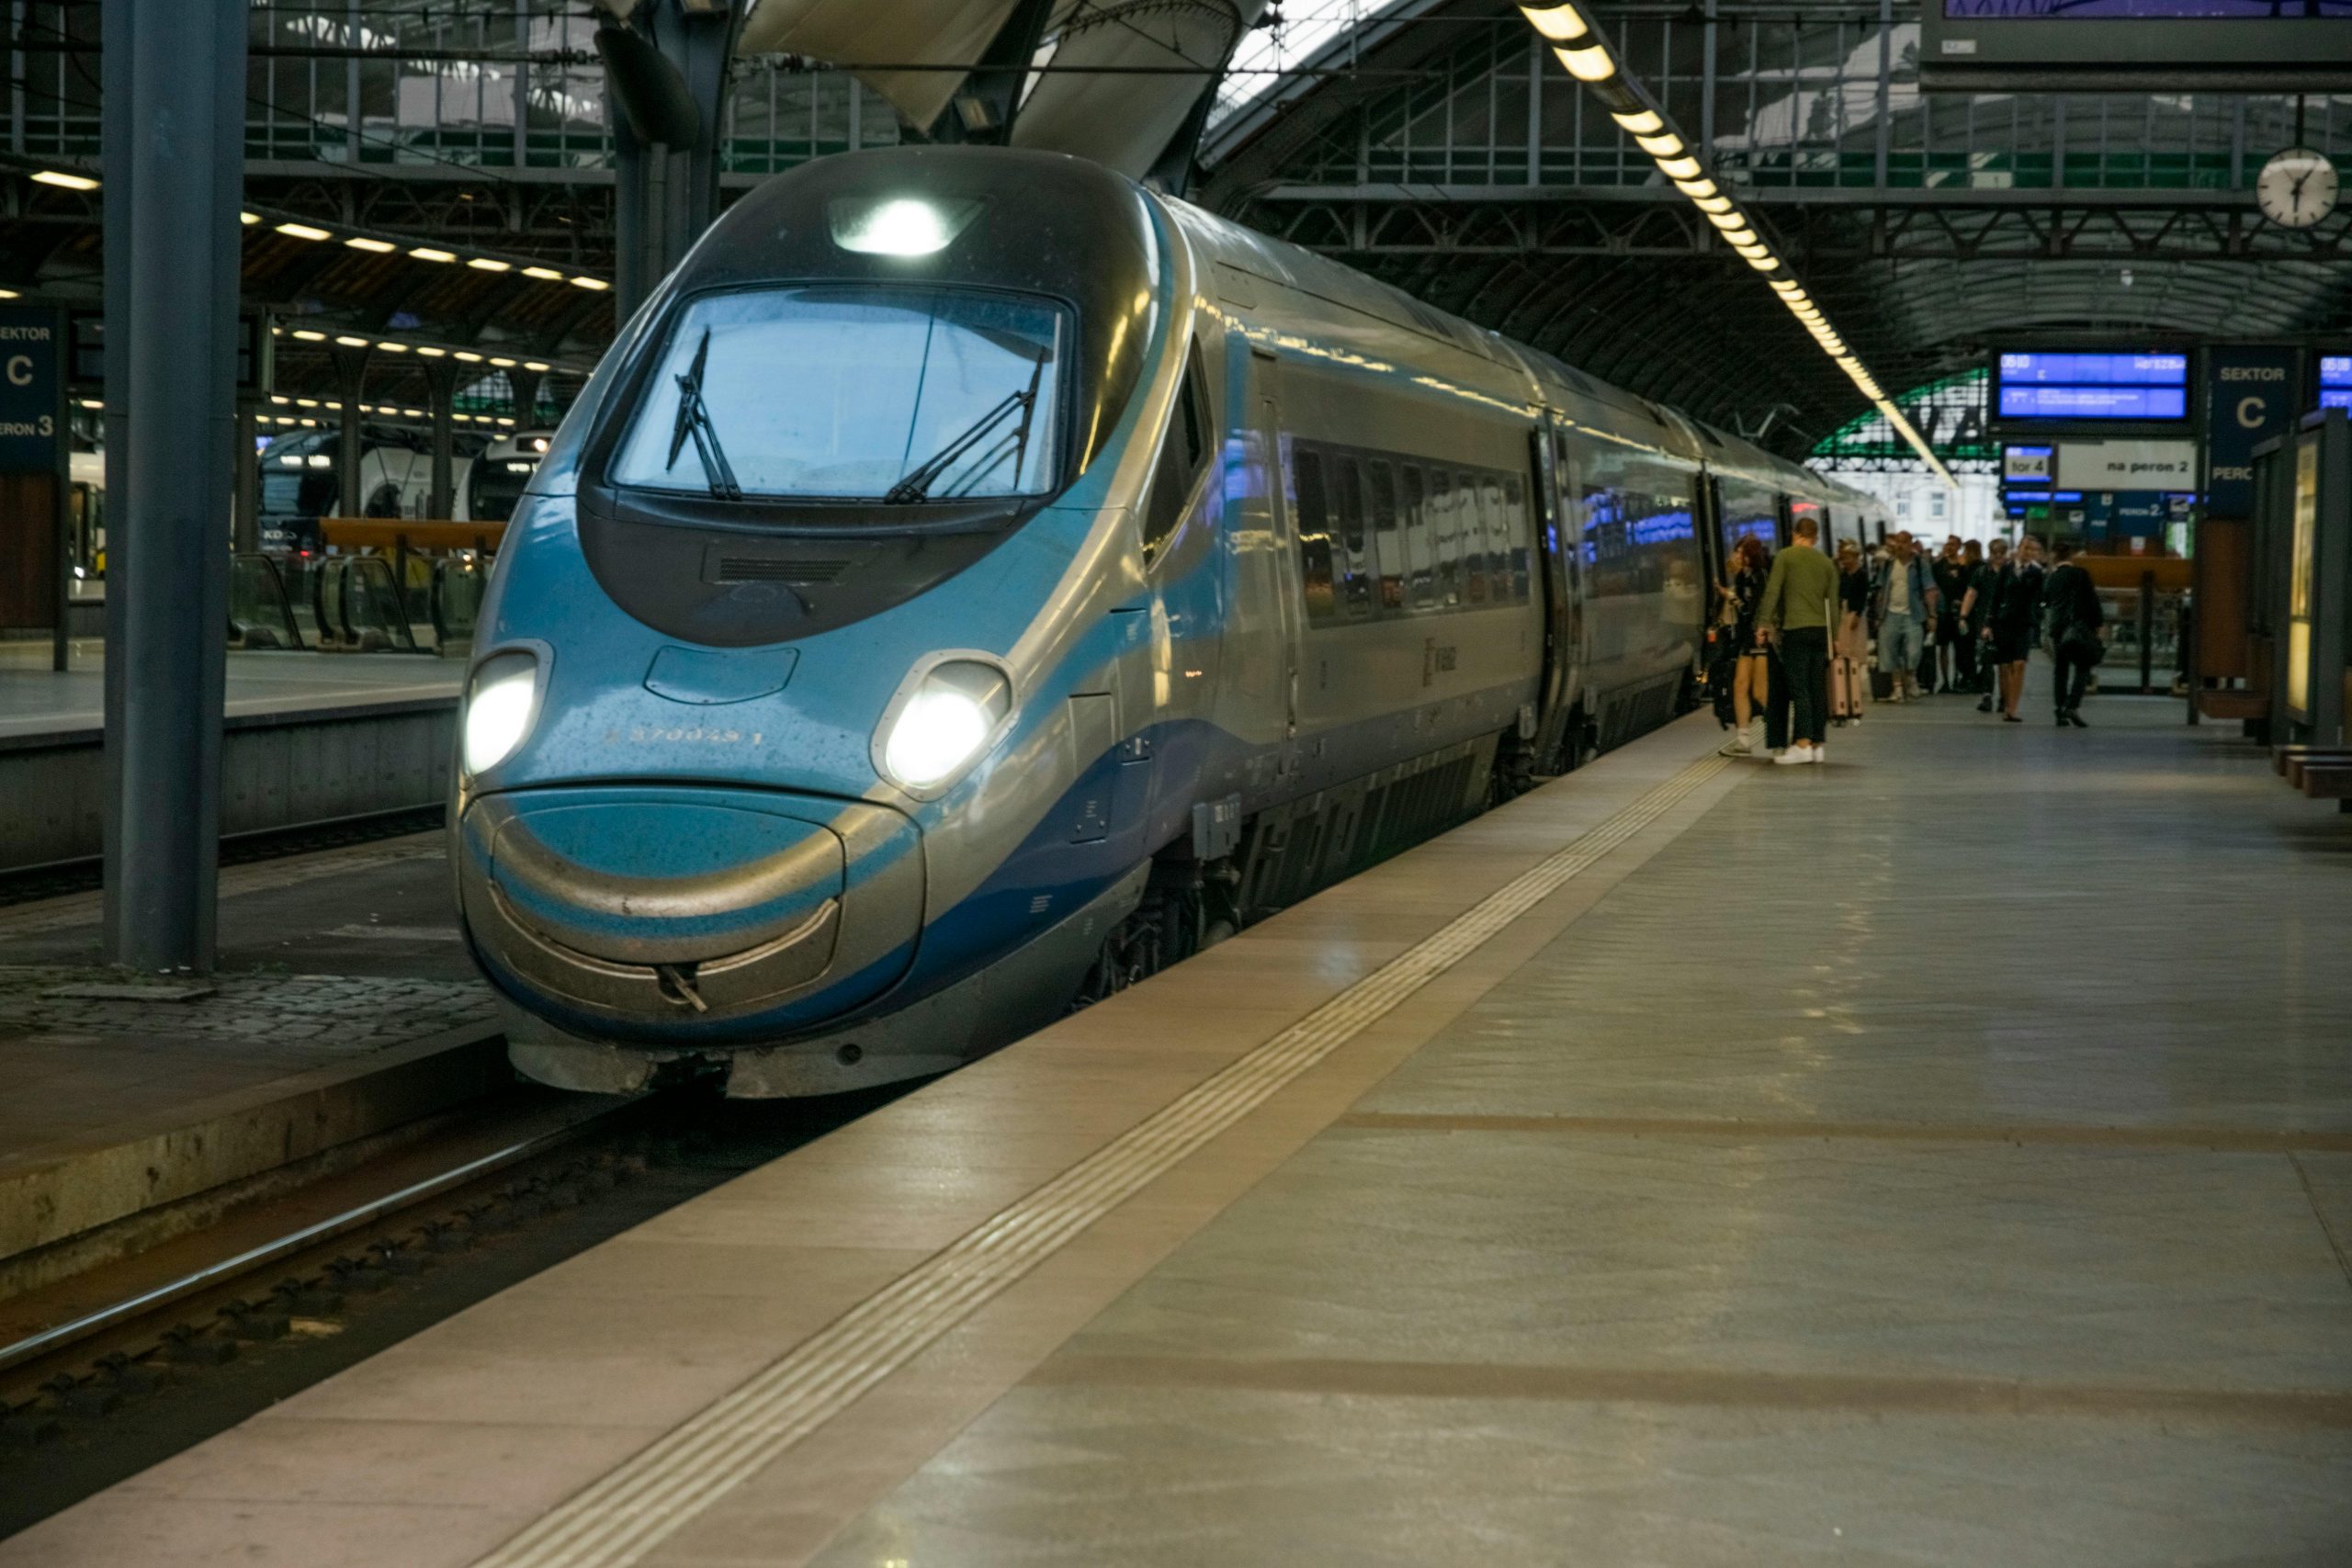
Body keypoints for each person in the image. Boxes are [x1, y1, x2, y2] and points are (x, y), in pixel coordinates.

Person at [1757, 513, 1840, 765]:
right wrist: (1833, 637)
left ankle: (1802, 743)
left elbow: (1772, 591)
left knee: (1799, 687)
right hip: (1820, 631)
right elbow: (1833, 605)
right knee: (1817, 688)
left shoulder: (1785, 556)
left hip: (1796, 629)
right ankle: (1818, 744)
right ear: (1815, 538)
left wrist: (1763, 623)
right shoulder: (1827, 563)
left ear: (1795, 534)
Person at [1870, 531, 1940, 704]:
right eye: (1897, 542)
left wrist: (1932, 615)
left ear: (1910, 544)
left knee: (1913, 651)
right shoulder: (1888, 565)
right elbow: (1880, 591)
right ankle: (1898, 688)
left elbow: (1930, 590)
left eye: (1903, 542)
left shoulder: (1919, 564)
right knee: (1889, 651)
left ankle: (1911, 675)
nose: (1900, 546)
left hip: (1913, 615)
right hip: (1890, 614)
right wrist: (1879, 615)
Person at [1981, 534, 2045, 723]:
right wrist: (1988, 623)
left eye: (2034, 550)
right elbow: (1996, 597)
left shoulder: (2036, 573)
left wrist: (2037, 619)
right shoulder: (2007, 569)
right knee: (2005, 665)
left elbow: (2039, 598)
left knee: (2019, 664)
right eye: (2027, 549)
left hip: (2024, 624)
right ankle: (2006, 702)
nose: (2030, 553)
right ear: (2019, 548)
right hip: (2004, 622)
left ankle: (2012, 708)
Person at [1719, 535, 1773, 755]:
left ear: (1750, 555)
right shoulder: (1743, 576)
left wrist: (1732, 598)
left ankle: (1780, 733)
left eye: (1741, 552)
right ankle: (1743, 740)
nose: (1737, 556)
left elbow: (1752, 610)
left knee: (1761, 692)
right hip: (1745, 639)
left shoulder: (1760, 577)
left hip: (1759, 639)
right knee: (1740, 686)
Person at [2042, 541, 2104, 727]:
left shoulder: (2051, 578)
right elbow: (2092, 601)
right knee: (2083, 666)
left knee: (2061, 669)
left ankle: (2059, 709)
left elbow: (2046, 601)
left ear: (2054, 557)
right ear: (2071, 556)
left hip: (2058, 629)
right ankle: (2072, 705)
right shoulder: (2081, 574)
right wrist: (2098, 624)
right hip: (2079, 627)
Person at [1961, 536, 2008, 711]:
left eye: (2001, 553)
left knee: (2004, 663)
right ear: (1990, 553)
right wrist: (1963, 615)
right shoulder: (1981, 572)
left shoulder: (2010, 571)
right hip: (1984, 620)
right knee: (1987, 659)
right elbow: (1971, 593)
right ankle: (1987, 695)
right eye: (1995, 552)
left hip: (2006, 622)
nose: (1998, 556)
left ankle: (2004, 698)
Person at [1831, 539, 1870, 727]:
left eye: (1847, 558)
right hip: (1843, 613)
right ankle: (1844, 686)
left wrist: (1858, 613)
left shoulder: (1861, 575)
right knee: (1843, 650)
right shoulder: (1842, 574)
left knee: (1854, 651)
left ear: (1855, 557)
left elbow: (1862, 596)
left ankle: (1854, 688)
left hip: (1854, 615)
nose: (1844, 561)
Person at [1930, 535, 1970, 695]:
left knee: (1960, 648)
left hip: (1960, 613)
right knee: (1943, 647)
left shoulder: (1965, 567)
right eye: (1948, 544)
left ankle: (1958, 679)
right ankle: (1945, 681)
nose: (1949, 547)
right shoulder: (1938, 566)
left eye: (1953, 544)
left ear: (1959, 547)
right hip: (1943, 612)